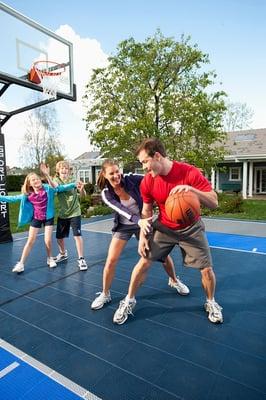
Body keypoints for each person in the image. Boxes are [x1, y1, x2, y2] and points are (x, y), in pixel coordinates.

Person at [113, 138, 223, 325]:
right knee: (143, 262)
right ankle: (129, 300)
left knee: (207, 269)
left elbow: (214, 202)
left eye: (145, 162)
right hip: (164, 227)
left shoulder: (189, 172)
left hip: (191, 228)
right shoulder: (148, 181)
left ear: (157, 156)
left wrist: (192, 190)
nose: (144, 167)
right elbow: (147, 211)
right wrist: (143, 237)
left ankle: (211, 302)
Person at [91, 159, 189, 311]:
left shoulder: (131, 179)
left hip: (143, 223)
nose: (116, 175)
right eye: (112, 173)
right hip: (124, 227)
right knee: (110, 261)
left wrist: (178, 181)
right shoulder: (106, 193)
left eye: (117, 171)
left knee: (162, 256)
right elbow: (121, 210)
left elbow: (153, 178)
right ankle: (105, 293)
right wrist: (139, 221)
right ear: (104, 174)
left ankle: (174, 280)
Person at [0, 171, 77, 273]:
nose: (36, 181)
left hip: (48, 218)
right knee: (30, 240)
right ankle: (21, 264)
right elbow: (13, 198)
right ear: (29, 184)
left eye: (37, 178)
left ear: (40, 179)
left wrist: (74, 184)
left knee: (48, 240)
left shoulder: (48, 188)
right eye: (33, 180)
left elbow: (61, 188)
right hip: (36, 218)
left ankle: (50, 258)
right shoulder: (28, 194)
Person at [41, 161, 88, 271]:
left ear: (69, 170)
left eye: (66, 168)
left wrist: (82, 190)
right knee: (59, 238)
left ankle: (81, 258)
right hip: (63, 213)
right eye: (62, 168)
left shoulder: (74, 180)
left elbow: (83, 196)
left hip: (75, 212)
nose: (64, 170)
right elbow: (55, 186)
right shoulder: (56, 180)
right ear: (58, 170)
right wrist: (47, 175)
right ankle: (63, 253)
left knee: (77, 235)